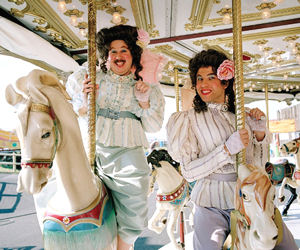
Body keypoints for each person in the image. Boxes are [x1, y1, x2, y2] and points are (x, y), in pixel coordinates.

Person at [166, 49, 297, 250]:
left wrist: (260, 135)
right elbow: (189, 172)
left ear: (225, 82)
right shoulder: (189, 119)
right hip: (212, 203)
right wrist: (225, 150)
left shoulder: (244, 116)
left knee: (285, 245)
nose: (203, 84)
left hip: (251, 199)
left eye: (211, 77)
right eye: (199, 79)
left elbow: (259, 166)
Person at [66, 25, 165, 250]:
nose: (118, 56)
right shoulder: (92, 77)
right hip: (94, 145)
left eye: (124, 50)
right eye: (113, 51)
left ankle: (123, 245)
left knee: (138, 188)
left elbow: (153, 125)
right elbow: (78, 112)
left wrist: (143, 102)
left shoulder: (145, 86)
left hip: (127, 150)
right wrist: (84, 97)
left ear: (133, 55)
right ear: (106, 55)